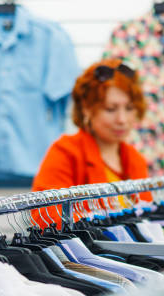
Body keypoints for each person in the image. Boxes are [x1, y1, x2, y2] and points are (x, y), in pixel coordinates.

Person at [31, 59, 150, 226]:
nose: (122, 120)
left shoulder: (135, 159)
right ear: (86, 108)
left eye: (129, 108)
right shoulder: (65, 153)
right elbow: (45, 217)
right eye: (110, 109)